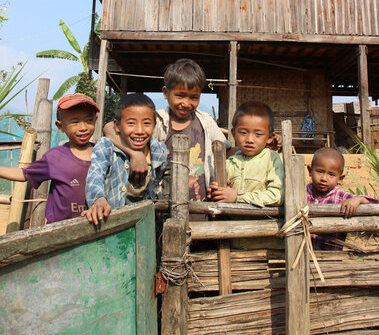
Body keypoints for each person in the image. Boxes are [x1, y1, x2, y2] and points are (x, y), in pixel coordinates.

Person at [104, 59, 230, 221]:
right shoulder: (156, 121)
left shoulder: (205, 121)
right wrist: (135, 154)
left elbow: (225, 148)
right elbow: (109, 128)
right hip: (162, 208)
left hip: (201, 209)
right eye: (180, 95)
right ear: (165, 93)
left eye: (194, 97)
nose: (186, 103)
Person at [0, 93, 99, 223]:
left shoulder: (102, 153)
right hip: (60, 231)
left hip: (96, 228)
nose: (83, 127)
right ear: (60, 126)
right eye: (75, 122)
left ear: (95, 120)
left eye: (89, 120)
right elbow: (24, 174)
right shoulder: (54, 158)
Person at [82, 93, 167, 225]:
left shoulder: (159, 152)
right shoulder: (107, 147)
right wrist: (98, 199)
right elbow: (95, 175)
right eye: (131, 123)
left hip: (145, 226)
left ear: (154, 125)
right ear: (117, 125)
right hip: (112, 224)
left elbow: (161, 184)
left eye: (146, 123)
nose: (139, 130)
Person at [208, 101, 283, 207]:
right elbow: (223, 194)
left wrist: (238, 197)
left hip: (262, 221)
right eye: (243, 133)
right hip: (230, 222)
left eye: (258, 134)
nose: (249, 140)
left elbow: (277, 196)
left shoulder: (271, 159)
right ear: (234, 133)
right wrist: (216, 192)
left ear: (270, 138)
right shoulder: (230, 163)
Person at [307, 147, 378, 250]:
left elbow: (375, 204)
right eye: (320, 171)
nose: (324, 178)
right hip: (303, 257)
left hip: (331, 258)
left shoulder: (341, 197)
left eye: (331, 174)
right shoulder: (301, 194)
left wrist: (359, 199)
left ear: (340, 178)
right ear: (310, 170)